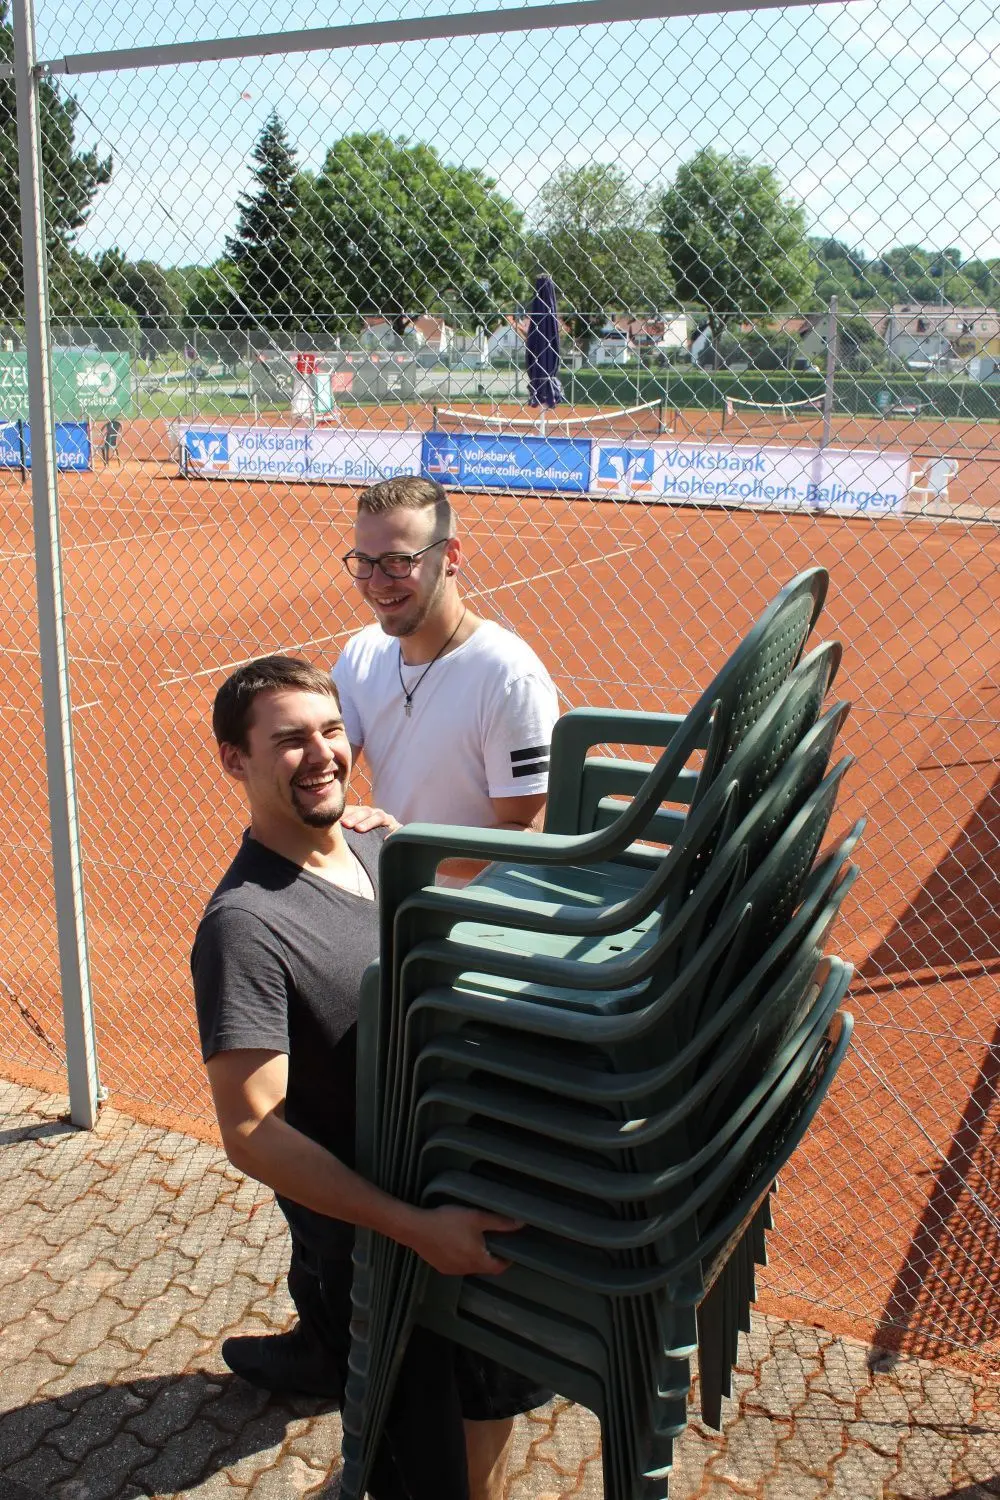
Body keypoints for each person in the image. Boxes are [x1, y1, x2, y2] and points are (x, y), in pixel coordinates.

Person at [192, 655, 550, 1500]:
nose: (320, 754)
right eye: (288, 741)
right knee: (421, 1466)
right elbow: (250, 1132)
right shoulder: (245, 927)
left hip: (452, 1188)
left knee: (485, 1416)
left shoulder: (376, 842)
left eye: (329, 731)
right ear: (234, 761)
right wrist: (412, 1229)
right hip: (391, 1249)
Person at [334, 475, 560, 863]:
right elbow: (324, 765)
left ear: (451, 557)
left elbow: (527, 834)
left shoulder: (507, 675)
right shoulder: (361, 654)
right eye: (365, 562)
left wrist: (410, 855)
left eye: (398, 562)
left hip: (472, 915)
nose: (377, 582)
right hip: (389, 898)